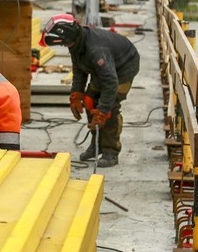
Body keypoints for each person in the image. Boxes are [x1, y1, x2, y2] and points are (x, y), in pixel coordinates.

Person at [40, 13, 140, 167]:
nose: (64, 46)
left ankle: (111, 152)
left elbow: (111, 82)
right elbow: (79, 69)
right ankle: (96, 145)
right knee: (89, 101)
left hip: (124, 68)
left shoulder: (96, 50)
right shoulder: (76, 42)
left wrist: (103, 110)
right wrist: (77, 94)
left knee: (110, 108)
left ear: (66, 35)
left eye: (63, 44)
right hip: (106, 68)